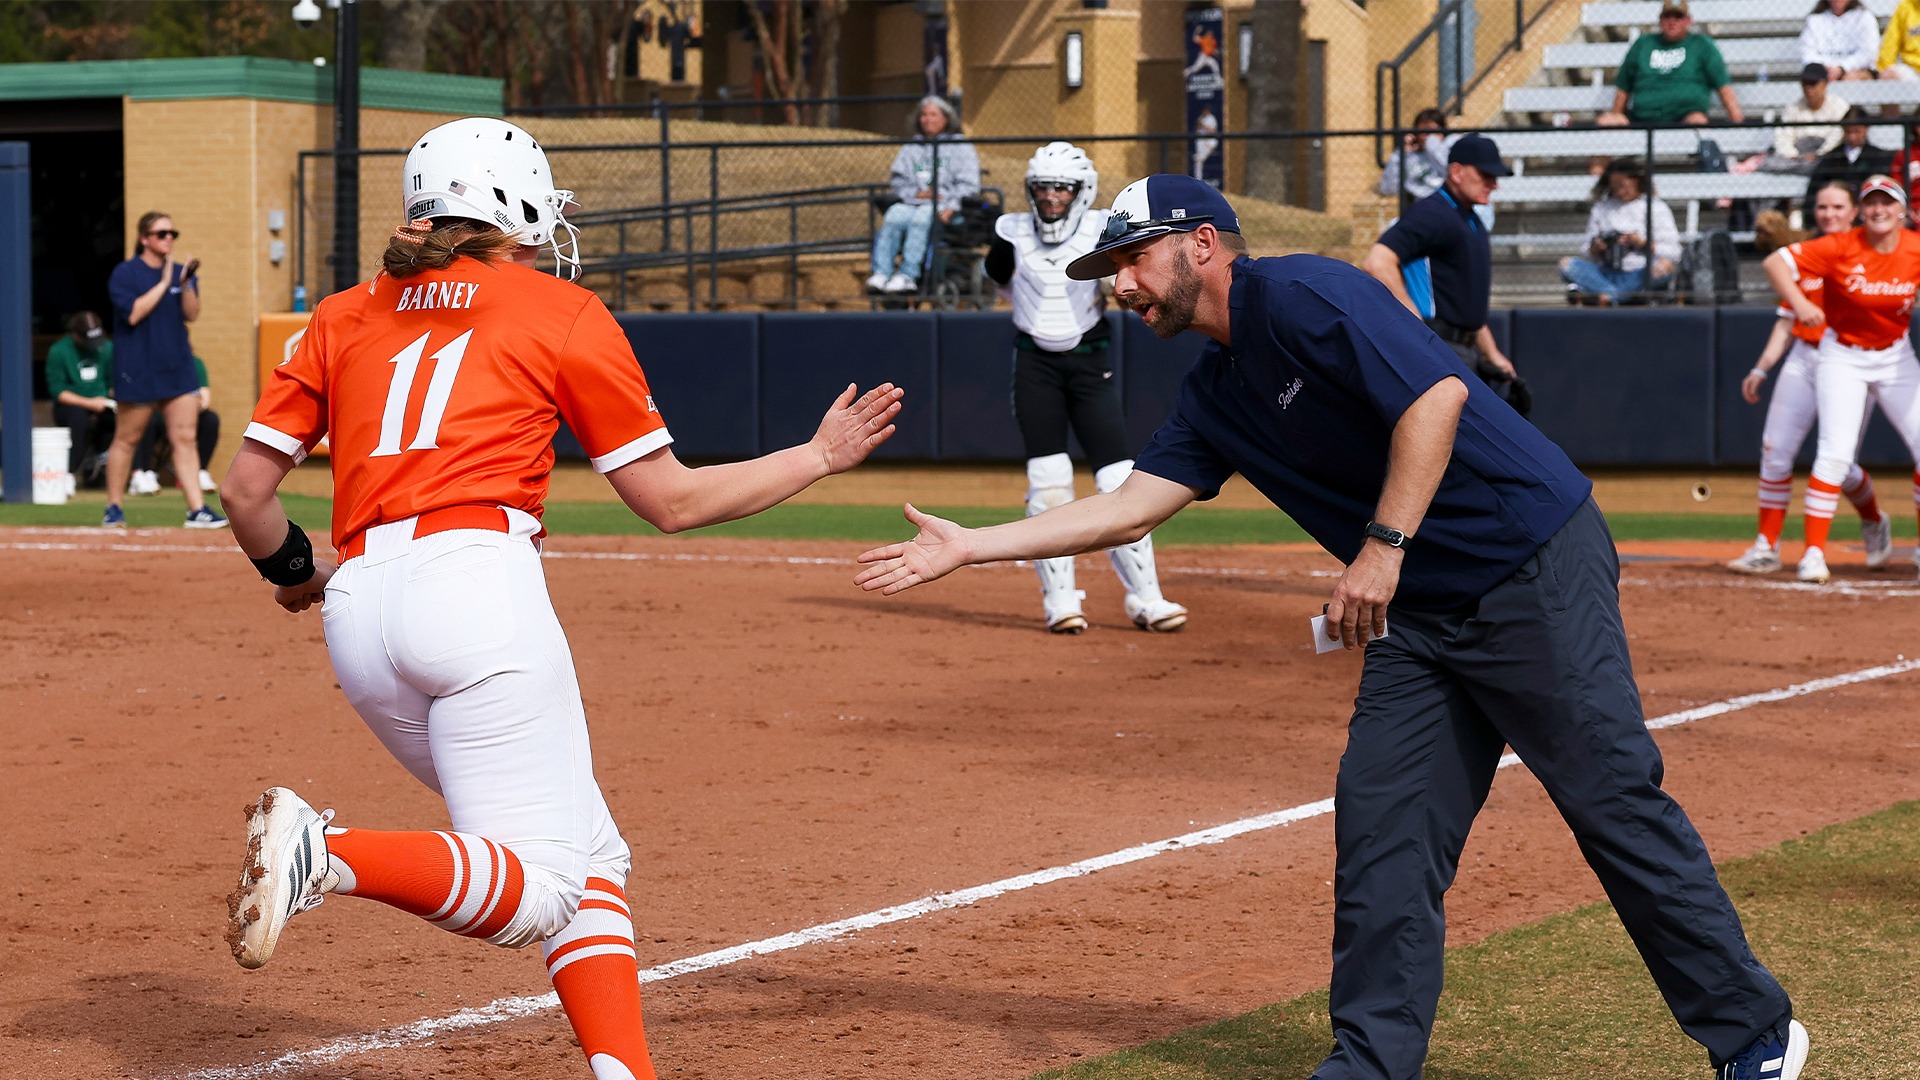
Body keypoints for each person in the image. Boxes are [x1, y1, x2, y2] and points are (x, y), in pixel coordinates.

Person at [855, 172, 1808, 1080]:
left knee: (1612, 801)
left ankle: (1754, 1032)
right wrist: (973, 547)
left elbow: (1436, 398)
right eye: (1111, 275)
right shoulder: (1214, 391)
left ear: (1200, 244)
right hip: (1420, 614)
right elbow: (1133, 506)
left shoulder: (1307, 293)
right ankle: (1371, 1062)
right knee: (1384, 833)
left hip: (1529, 564)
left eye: (1132, 263)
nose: (1124, 289)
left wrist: (1383, 547)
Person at [217, 116, 903, 1080]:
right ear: (509, 204)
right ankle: (325, 856)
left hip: (360, 607)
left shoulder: (340, 314)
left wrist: (296, 577)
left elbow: (245, 492)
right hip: (478, 589)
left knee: (590, 851)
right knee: (540, 888)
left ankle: (624, 1072)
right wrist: (817, 456)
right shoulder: (556, 311)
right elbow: (671, 500)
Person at [981, 141, 1187, 634]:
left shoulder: (1102, 231)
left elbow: (1135, 274)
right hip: (1035, 363)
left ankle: (1147, 599)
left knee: (1119, 480)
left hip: (1091, 361)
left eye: (1061, 187)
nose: (1051, 197)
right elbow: (997, 278)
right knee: (1049, 482)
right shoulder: (1008, 234)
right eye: (1043, 187)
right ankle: (1059, 601)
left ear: (1082, 190)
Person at [1731, 181, 1892, 576]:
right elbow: (1788, 320)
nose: (1829, 214)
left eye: (1838, 206)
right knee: (1775, 449)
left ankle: (1873, 519)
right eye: (1822, 207)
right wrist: (1761, 367)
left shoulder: (1868, 251)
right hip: (1806, 357)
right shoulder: (1809, 256)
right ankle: (1766, 545)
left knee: (1839, 463)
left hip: (1853, 360)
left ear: (1854, 211)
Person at [1765, 174, 1920, 584]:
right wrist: (1799, 304)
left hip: (1895, 355)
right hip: (1843, 354)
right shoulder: (1841, 245)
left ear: (1903, 210)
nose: (1878, 209)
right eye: (1871, 202)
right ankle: (1813, 553)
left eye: (1887, 202)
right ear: (1861, 212)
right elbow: (1775, 262)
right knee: (1834, 453)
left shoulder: (1914, 248)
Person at [1363, 134, 1527, 416]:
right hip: (1438, 347)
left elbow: (1466, 303)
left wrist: (1492, 354)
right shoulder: (1433, 213)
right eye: (1485, 175)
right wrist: (1412, 320)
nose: (1494, 184)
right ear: (1456, 172)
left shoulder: (1469, 218)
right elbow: (1378, 261)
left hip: (1463, 350)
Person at [104, 211, 225, 529]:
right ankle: (114, 507)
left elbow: (192, 313)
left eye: (172, 233)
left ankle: (196, 509)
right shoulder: (126, 273)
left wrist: (184, 284)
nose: (168, 238)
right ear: (144, 238)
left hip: (177, 367)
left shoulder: (181, 273)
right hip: (138, 368)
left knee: (185, 437)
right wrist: (164, 280)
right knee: (127, 438)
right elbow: (133, 314)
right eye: (161, 233)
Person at [865, 95, 979, 295]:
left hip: (944, 204)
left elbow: (969, 185)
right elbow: (899, 181)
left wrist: (952, 205)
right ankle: (882, 273)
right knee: (893, 216)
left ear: (946, 119)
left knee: (921, 219)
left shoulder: (960, 146)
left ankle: (908, 275)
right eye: (924, 115)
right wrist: (917, 193)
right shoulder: (912, 147)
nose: (928, 119)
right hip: (913, 201)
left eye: (933, 115)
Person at [1598, 1, 1744, 129]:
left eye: (1678, 17)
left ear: (1688, 20)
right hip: (1642, 118)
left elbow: (1723, 87)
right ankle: (1597, 162)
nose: (1672, 21)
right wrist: (1616, 118)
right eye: (1667, 16)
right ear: (1660, 20)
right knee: (1606, 123)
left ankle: (1700, 160)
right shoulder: (1643, 44)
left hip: (1685, 117)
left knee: (1698, 121)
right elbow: (1623, 87)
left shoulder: (1702, 45)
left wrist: (1738, 124)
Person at [1558, 156, 1681, 304]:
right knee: (1566, 264)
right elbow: (1586, 251)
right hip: (1606, 272)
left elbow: (1674, 252)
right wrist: (1597, 247)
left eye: (1624, 186)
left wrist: (1642, 244)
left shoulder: (1656, 208)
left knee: (1665, 267)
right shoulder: (1601, 208)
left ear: (1637, 181)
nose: (1619, 192)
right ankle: (1614, 295)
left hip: (1639, 271)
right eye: (1615, 188)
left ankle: (1604, 295)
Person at [44, 311, 116, 484]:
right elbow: (58, 392)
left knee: (127, 419)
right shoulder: (59, 351)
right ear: (75, 334)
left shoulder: (107, 348)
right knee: (78, 420)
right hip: (72, 404)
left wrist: (111, 399)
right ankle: (69, 473)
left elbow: (112, 383)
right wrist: (90, 403)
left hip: (103, 403)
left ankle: (132, 472)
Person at [132, 355, 220, 495]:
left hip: (185, 418)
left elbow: (204, 399)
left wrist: (185, 406)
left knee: (210, 419)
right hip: (156, 417)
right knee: (144, 420)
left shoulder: (195, 364)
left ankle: (200, 472)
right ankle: (144, 473)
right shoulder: (148, 363)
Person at [1747, 64, 1850, 175]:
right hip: (1797, 157)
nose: (1808, 89)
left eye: (1813, 83)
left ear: (1825, 84)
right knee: (1770, 163)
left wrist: (1818, 155)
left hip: (1826, 156)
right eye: (1805, 83)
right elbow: (1783, 138)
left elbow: (1837, 138)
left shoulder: (1839, 106)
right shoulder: (1793, 108)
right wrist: (1795, 156)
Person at [1804, 107, 1894, 217]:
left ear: (1866, 129)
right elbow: (1815, 188)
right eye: (1848, 131)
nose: (1852, 137)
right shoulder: (1832, 157)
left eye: (1857, 131)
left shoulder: (1879, 157)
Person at [1375, 108, 1455, 205]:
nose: (1426, 136)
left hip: (1448, 204)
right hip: (1421, 206)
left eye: (1432, 131)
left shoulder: (1451, 148)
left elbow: (1447, 170)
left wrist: (1433, 145)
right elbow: (1388, 188)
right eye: (1423, 131)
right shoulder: (1409, 157)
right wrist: (1399, 155)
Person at [1802, 0, 1883, 82]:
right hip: (1823, 73)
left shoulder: (1864, 17)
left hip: (1855, 70)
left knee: (1851, 78)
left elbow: (1868, 54)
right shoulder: (1814, 19)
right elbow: (1807, 53)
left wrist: (1842, 68)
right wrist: (1826, 70)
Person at [1877, 0, 1920, 80]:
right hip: (1912, 70)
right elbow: (1890, 42)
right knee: (1888, 75)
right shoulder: (1905, 6)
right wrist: (1884, 67)